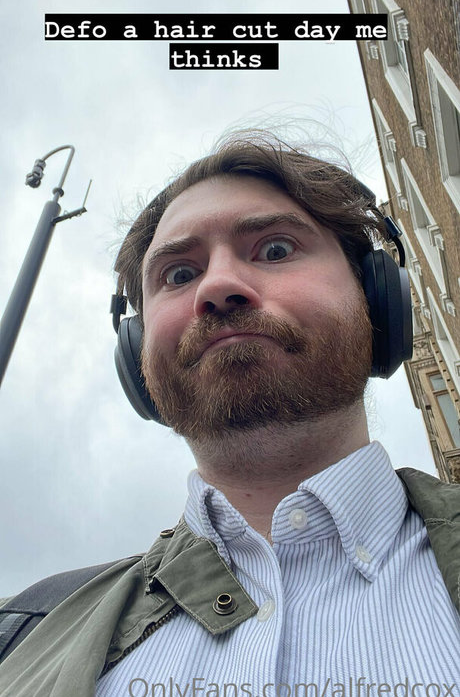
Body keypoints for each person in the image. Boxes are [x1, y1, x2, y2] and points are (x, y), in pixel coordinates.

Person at [0, 132, 458, 696]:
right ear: (136, 350)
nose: (216, 286)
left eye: (276, 249)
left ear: (376, 296)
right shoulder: (19, 633)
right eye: (179, 274)